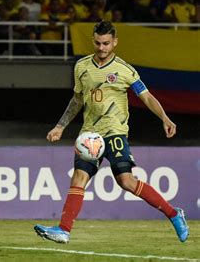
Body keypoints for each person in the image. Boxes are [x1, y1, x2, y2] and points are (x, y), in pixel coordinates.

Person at [34, 21, 189, 244]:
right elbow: (77, 100)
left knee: (126, 181)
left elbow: (146, 96)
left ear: (115, 42)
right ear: (93, 40)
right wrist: (60, 126)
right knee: (78, 179)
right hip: (89, 136)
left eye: (106, 43)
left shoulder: (125, 70)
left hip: (115, 133)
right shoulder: (82, 67)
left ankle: (174, 214)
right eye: (97, 42)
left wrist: (164, 117)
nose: (101, 48)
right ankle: (63, 230)